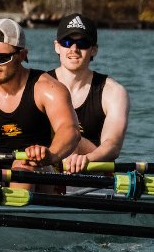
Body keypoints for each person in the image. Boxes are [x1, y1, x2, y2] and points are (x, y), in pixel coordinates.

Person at [0, 19, 80, 185]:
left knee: (23, 164)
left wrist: (50, 155)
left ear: (22, 55)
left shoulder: (47, 88)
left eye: (2, 58)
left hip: (38, 170)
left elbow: (70, 130)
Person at [51, 14, 129, 174]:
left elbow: (112, 144)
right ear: (57, 47)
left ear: (94, 50)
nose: (74, 49)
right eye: (67, 42)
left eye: (82, 43)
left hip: (93, 169)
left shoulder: (113, 92)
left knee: (71, 140)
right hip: (49, 166)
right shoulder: (39, 85)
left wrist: (86, 159)